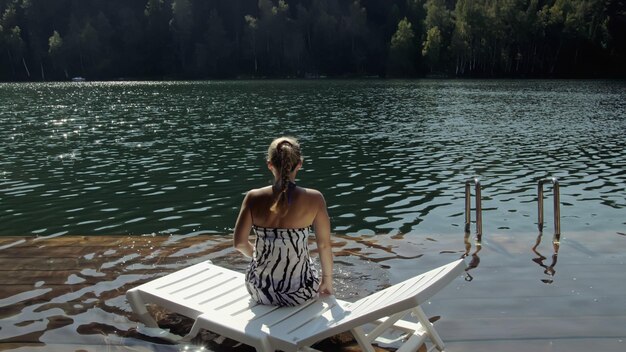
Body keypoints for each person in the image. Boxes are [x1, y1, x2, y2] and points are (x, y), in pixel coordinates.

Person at [233, 136, 334, 306]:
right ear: (300, 164)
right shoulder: (315, 199)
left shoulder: (253, 197)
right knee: (307, 262)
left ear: (270, 164)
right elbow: (324, 245)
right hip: (301, 292)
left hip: (260, 290)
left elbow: (239, 244)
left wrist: (261, 257)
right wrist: (327, 281)